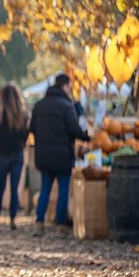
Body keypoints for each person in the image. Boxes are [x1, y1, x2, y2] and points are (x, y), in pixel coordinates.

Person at [29, 74, 89, 237]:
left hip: (44, 156)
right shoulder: (66, 105)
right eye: (70, 86)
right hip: (62, 156)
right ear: (64, 86)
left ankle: (39, 223)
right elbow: (75, 130)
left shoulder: (39, 105)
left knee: (45, 189)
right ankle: (61, 226)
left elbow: (32, 128)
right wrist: (87, 136)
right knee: (63, 190)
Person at [0, 84, 28, 230]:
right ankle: (12, 219)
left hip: (1, 154)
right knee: (15, 188)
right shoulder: (21, 113)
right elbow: (25, 134)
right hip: (17, 154)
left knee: (0, 187)